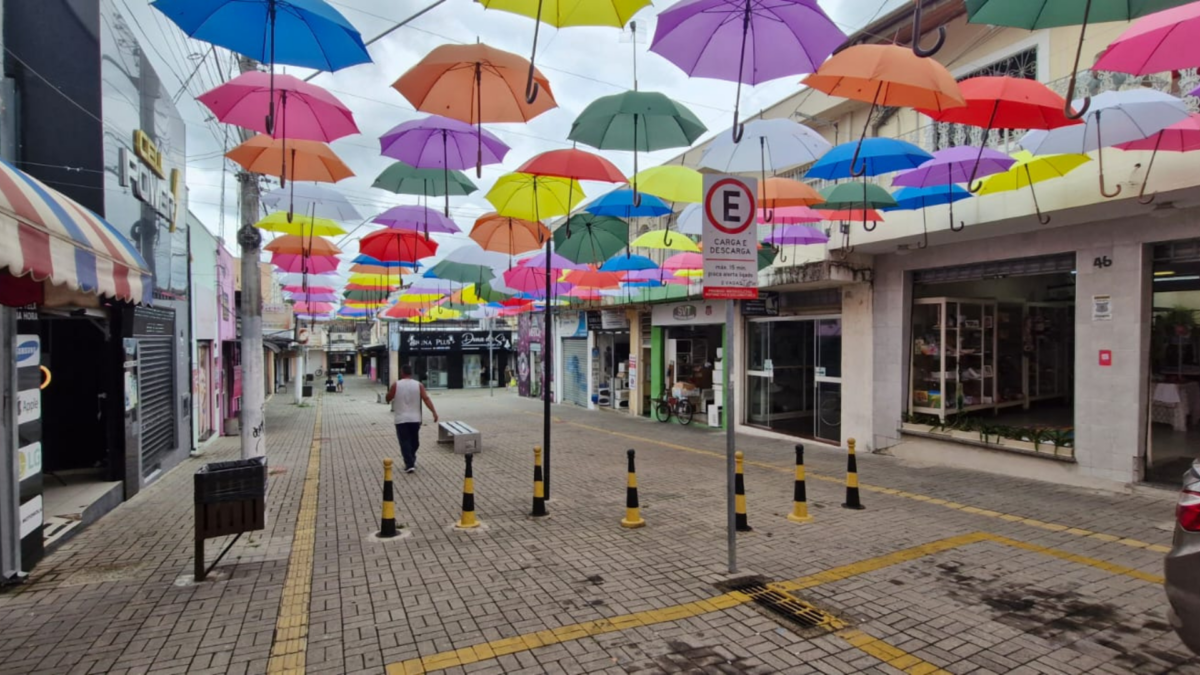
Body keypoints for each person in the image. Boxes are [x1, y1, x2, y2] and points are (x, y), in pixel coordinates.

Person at [385, 364, 438, 473]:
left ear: (402, 373)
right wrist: (434, 412)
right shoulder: (419, 385)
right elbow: (426, 399)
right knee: (414, 441)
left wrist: (388, 395)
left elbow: (389, 397)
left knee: (405, 442)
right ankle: (410, 463)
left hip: (401, 420)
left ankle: (409, 460)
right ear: (411, 373)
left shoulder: (396, 385)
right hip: (415, 419)